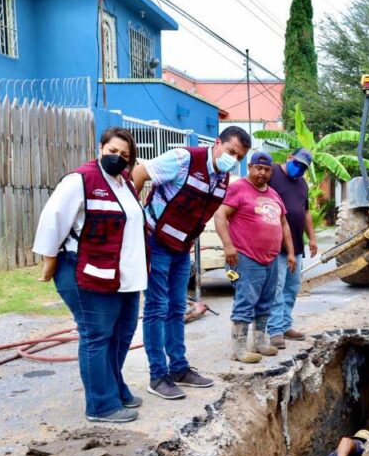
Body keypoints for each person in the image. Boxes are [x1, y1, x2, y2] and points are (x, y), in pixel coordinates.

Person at [33, 126, 145, 424]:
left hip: (122, 277)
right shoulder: (80, 180)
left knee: (122, 335)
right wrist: (48, 261)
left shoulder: (125, 184)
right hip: (88, 274)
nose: (118, 159)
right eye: (113, 152)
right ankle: (101, 404)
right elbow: (53, 219)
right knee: (97, 336)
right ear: (100, 148)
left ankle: (115, 387)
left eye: (125, 155)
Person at [131, 127, 252, 401]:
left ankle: (179, 368)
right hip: (155, 241)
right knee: (156, 308)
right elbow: (140, 173)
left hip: (181, 248)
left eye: (239, 156)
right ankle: (157, 375)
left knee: (176, 307)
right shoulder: (183, 159)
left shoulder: (222, 178)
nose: (233, 159)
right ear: (217, 143)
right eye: (231, 151)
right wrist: (134, 218)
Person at [213, 151, 297, 363]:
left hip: (271, 258)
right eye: (258, 168)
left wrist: (291, 253)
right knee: (245, 301)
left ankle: (259, 342)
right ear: (250, 167)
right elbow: (220, 214)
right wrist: (228, 246)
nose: (262, 173)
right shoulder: (238, 188)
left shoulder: (273, 194)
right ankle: (238, 349)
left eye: (267, 169)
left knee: (266, 302)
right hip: (246, 257)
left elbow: (284, 224)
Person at [267, 147, 318, 349]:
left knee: (291, 287)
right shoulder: (271, 173)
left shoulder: (302, 183)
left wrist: (312, 238)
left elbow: (305, 213)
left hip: (296, 245)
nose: (299, 170)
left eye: (304, 168)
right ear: (289, 158)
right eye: (297, 164)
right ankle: (275, 330)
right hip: (275, 245)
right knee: (276, 288)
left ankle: (285, 325)